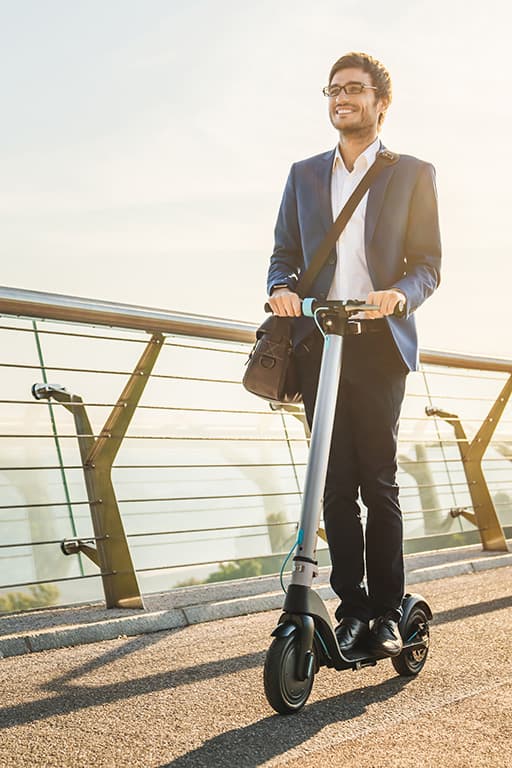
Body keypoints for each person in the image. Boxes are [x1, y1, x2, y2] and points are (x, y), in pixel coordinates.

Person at [267, 52, 441, 657]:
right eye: (333, 89)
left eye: (353, 89)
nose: (340, 98)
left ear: (380, 103)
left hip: (379, 345)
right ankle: (351, 607)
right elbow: (284, 252)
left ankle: (389, 610)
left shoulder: (412, 173)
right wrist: (281, 288)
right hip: (320, 343)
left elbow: (429, 266)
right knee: (333, 486)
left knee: (377, 479)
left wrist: (399, 296)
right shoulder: (304, 173)